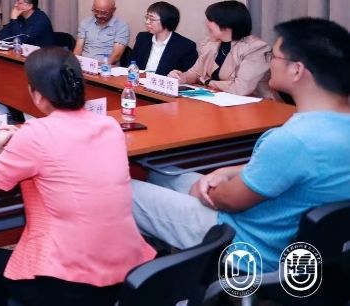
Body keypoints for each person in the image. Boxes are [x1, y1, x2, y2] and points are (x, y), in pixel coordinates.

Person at [132, 17, 350, 268]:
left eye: (274, 57)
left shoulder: (292, 140)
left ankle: (146, 275)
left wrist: (206, 188)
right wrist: (226, 172)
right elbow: (291, 168)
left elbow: (230, 200)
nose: (269, 63)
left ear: (297, 70)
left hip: (247, 243)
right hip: (299, 240)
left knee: (124, 190)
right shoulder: (331, 127)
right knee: (160, 175)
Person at [0, 48, 154, 306]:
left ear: (37, 95)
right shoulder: (109, 125)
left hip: (74, 283)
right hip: (129, 272)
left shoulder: (36, 133)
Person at [167, 0, 275, 98]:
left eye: (210, 20)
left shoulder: (256, 48)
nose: (207, 23)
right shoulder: (211, 43)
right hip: (218, 101)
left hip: (255, 106)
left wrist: (208, 82)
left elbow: (240, 88)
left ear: (226, 24)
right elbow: (196, 73)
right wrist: (182, 77)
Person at [131, 1, 198, 76]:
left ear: (166, 21)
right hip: (138, 80)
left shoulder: (186, 46)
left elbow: (188, 76)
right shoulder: (142, 38)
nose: (147, 22)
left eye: (152, 19)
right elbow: (132, 65)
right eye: (147, 18)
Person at [73, 0, 130, 64]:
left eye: (104, 13)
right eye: (96, 11)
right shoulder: (85, 23)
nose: (99, 16)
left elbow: (116, 56)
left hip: (107, 67)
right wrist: (75, 65)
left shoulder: (121, 26)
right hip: (85, 65)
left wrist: (101, 67)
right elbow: (78, 49)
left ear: (113, 10)